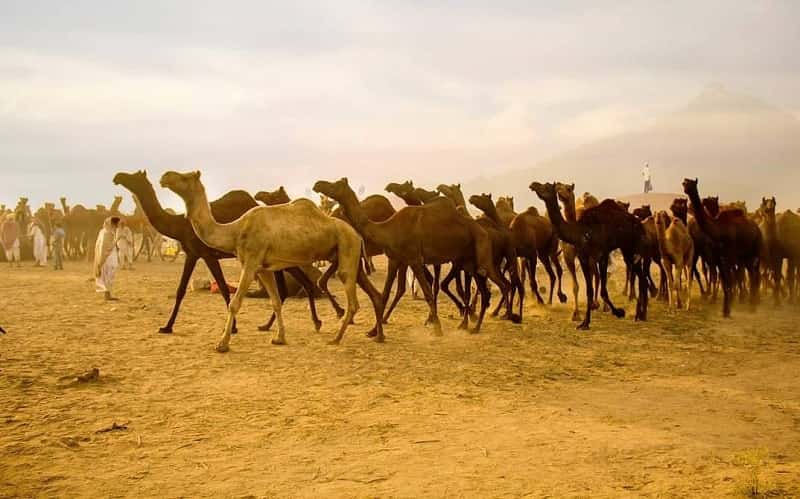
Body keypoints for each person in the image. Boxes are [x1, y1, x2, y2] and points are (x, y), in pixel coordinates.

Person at [94, 216, 121, 300]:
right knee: (108, 274)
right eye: (115, 224)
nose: (117, 226)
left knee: (109, 274)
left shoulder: (106, 232)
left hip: (109, 255)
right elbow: (105, 247)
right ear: (111, 224)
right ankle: (107, 295)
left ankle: (108, 294)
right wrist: (116, 240)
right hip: (107, 257)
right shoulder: (106, 233)